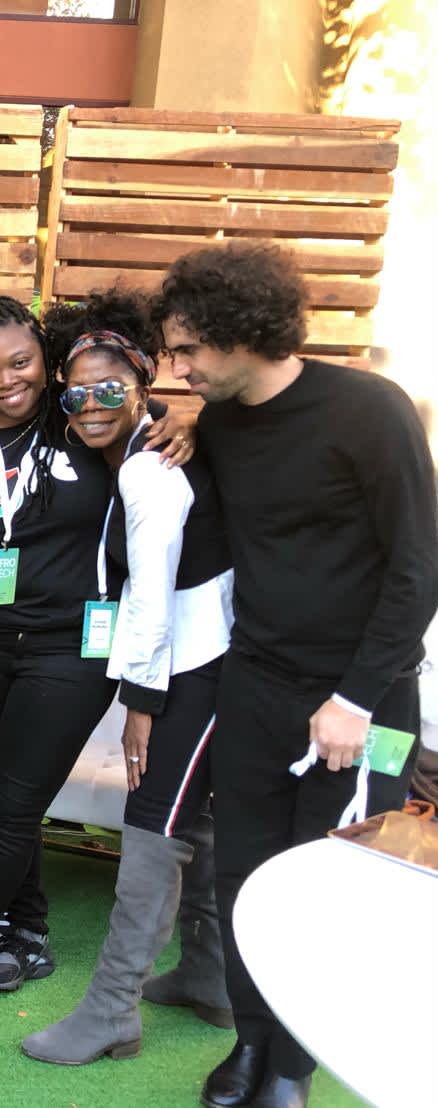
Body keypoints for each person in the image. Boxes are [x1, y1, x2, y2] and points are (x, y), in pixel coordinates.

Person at [154, 244, 438, 1108]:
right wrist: (189, 428)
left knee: (336, 889)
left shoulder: (371, 413)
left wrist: (352, 700)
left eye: (190, 350)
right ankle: (250, 1044)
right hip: (258, 687)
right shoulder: (227, 424)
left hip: (368, 701)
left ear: (245, 334)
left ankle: (292, 1068)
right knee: (243, 872)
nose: (180, 369)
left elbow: (419, 570)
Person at [0, 296, 194, 1007]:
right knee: (7, 800)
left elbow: (143, 419)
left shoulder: (86, 427)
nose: (8, 381)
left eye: (22, 362)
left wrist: (182, 425)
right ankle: (28, 935)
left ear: (46, 358)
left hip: (74, 651)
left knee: (14, 802)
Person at [21, 290, 234, 1066]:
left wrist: (141, 706)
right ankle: (209, 978)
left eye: (110, 388)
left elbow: (151, 594)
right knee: (194, 817)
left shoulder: (147, 472)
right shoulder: (140, 450)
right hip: (201, 659)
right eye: (76, 392)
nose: (90, 404)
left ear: (144, 383)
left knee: (153, 825)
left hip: (200, 666)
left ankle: (113, 1007)